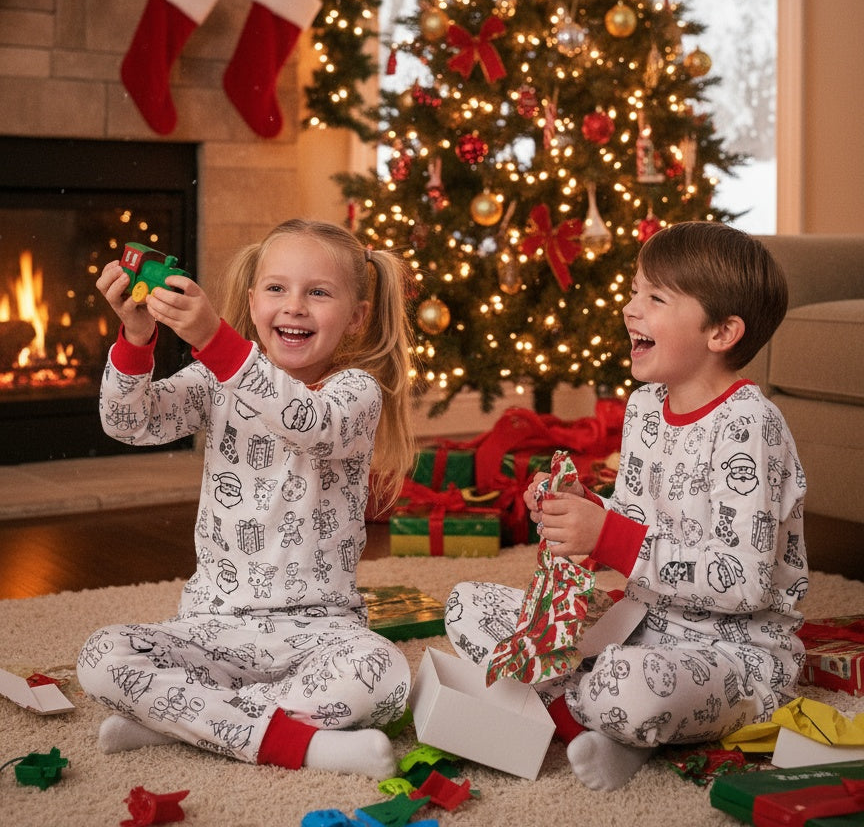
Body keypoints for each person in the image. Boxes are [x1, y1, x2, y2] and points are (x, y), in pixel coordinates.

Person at [444, 221, 808, 790]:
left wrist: (605, 535)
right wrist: (579, 507)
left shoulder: (750, 426)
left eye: (654, 298)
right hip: (639, 626)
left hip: (736, 655)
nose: (630, 308)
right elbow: (634, 516)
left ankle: (588, 716)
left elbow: (745, 582)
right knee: (468, 606)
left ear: (721, 332)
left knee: (630, 688)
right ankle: (608, 727)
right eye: (634, 290)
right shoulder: (643, 406)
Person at [77, 219, 416, 778]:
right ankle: (297, 743)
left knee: (381, 676)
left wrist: (217, 342)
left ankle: (182, 722)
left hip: (321, 632)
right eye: (278, 289)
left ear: (355, 317)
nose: (295, 307)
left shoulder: (355, 392)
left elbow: (306, 422)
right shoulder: (215, 382)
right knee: (99, 657)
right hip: (213, 626)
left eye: (319, 292)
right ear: (254, 300)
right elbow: (127, 422)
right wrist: (135, 338)